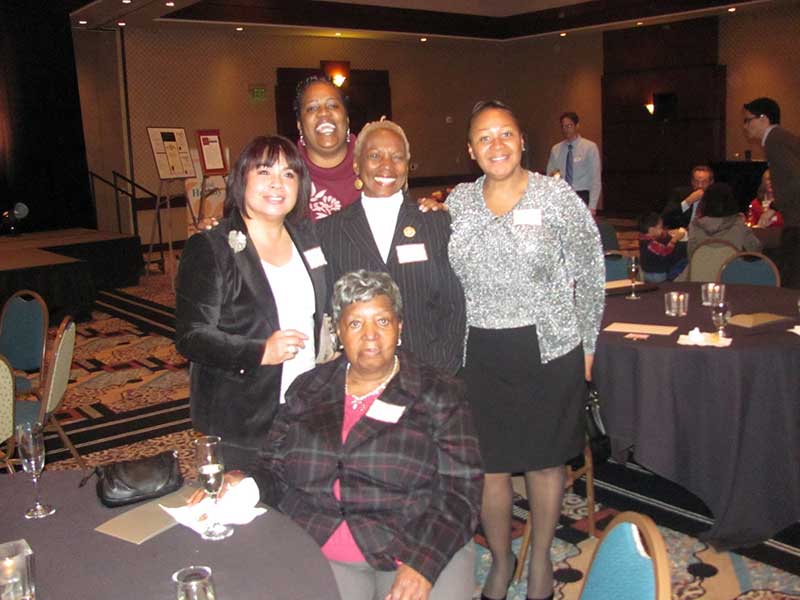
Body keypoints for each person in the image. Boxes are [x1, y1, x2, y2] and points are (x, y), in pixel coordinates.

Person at [192, 271, 483, 600]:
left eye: (383, 322)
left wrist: (422, 564)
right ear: (338, 332)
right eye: (356, 324)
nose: (371, 336)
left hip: (415, 541)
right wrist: (243, 483)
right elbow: (274, 466)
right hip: (322, 540)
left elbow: (461, 492)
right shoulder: (308, 388)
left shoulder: (441, 393)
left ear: (400, 327)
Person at [448, 100, 605, 600]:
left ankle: (539, 558)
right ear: (471, 150)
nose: (497, 145)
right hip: (479, 351)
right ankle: (501, 559)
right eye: (484, 137)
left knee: (543, 462)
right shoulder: (457, 203)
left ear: (522, 141)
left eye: (506, 134)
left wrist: (589, 343)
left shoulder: (556, 198)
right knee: (489, 467)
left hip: (549, 347)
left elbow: (591, 269)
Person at [175, 135, 330, 465]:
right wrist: (260, 351)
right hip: (241, 415)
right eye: (264, 172)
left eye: (289, 174)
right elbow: (192, 337)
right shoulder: (211, 246)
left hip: (305, 405)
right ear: (241, 178)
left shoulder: (307, 237)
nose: (278, 184)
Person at [317, 118, 466, 375]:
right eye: (375, 155)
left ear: (407, 166)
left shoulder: (436, 223)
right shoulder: (329, 231)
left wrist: (441, 372)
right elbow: (329, 309)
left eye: (397, 157)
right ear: (356, 164)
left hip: (428, 373)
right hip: (359, 376)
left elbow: (454, 305)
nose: (386, 165)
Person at [743, 97, 800, 287]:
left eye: (748, 120)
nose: (745, 126)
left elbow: (795, 178)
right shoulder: (782, 137)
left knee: (791, 282)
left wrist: (776, 205)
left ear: (763, 119)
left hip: (796, 219)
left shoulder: (774, 140)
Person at [295, 74, 360, 221]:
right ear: (300, 125)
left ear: (347, 119)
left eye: (332, 105)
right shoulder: (287, 172)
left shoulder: (374, 161)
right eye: (312, 108)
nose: (323, 112)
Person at [545, 111, 602, 214]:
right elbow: (550, 175)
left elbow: (595, 179)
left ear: (577, 126)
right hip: (562, 195)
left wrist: (592, 206)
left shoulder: (589, 147)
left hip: (582, 195)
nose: (566, 129)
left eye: (569, 126)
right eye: (563, 126)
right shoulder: (556, 149)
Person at [688, 182, 762, 256]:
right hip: (731, 266)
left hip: (701, 266)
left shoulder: (695, 226)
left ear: (705, 202)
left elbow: (691, 255)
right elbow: (755, 249)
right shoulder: (739, 224)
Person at [637, 212, 687, 283]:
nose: (662, 229)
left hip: (648, 273)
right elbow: (666, 251)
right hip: (656, 275)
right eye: (660, 227)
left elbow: (661, 235)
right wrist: (675, 239)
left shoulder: (642, 237)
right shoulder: (650, 244)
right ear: (651, 230)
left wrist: (669, 233)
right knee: (683, 260)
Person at [661, 165, 714, 230]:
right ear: (692, 181)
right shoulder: (679, 194)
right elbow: (665, 218)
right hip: (682, 237)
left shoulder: (716, 198)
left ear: (711, 183)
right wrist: (687, 202)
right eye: (696, 181)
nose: (700, 186)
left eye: (704, 182)